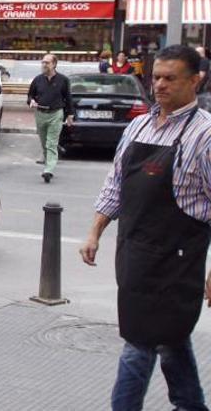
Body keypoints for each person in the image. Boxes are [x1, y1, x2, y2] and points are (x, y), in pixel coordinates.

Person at [79, 44, 211, 411]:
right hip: (135, 257)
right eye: (156, 77)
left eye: (171, 78)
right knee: (169, 340)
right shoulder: (138, 125)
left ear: (195, 81)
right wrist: (95, 231)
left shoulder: (205, 136)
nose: (160, 85)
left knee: (139, 344)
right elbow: (115, 184)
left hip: (177, 263)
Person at [27, 54, 74, 183]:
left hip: (56, 113)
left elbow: (68, 98)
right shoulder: (37, 79)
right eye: (43, 62)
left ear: (54, 64)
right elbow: (30, 95)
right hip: (40, 114)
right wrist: (31, 101)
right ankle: (49, 163)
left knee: (51, 143)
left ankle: (48, 170)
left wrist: (70, 114)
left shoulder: (63, 80)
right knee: (44, 143)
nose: (44, 65)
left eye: (47, 63)